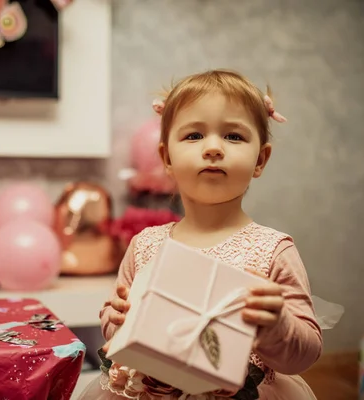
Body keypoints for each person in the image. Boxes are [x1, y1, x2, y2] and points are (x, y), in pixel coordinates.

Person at [79, 69, 322, 400]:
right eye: (194, 136)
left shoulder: (273, 250)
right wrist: (116, 317)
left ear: (260, 159)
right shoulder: (144, 245)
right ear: (166, 157)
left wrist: (277, 328)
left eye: (233, 136)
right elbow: (115, 321)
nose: (212, 148)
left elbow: (305, 353)